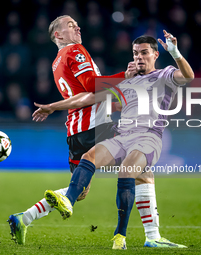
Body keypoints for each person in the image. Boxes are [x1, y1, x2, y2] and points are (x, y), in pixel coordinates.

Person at [43, 31, 194, 249]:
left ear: (155, 54)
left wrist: (175, 52)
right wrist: (53, 106)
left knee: (128, 169)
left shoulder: (165, 75)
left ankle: (120, 235)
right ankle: (69, 200)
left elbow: (188, 76)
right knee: (89, 156)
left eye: (144, 53)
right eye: (135, 53)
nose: (139, 57)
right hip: (123, 136)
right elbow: (90, 96)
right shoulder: (127, 80)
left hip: (148, 138)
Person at [7, 15, 134, 245]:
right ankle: (124, 236)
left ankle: (23, 218)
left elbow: (84, 95)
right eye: (70, 25)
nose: (77, 26)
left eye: (77, 23)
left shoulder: (57, 61)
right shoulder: (75, 50)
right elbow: (92, 85)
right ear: (58, 35)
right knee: (136, 166)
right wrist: (124, 76)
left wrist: (118, 104)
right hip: (95, 125)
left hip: (76, 130)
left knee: (81, 190)